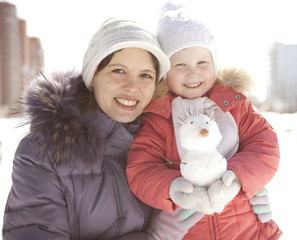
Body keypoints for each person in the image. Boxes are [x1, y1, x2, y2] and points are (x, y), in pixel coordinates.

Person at [2, 18, 205, 240]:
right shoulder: (44, 152)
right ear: (93, 77)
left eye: (146, 75)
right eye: (118, 71)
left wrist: (245, 189)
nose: (132, 87)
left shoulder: (165, 143)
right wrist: (155, 237)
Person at [126, 7, 282, 240]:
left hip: (245, 230)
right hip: (189, 231)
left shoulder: (234, 104)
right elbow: (141, 168)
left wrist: (238, 177)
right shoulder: (159, 117)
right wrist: (173, 188)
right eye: (180, 65)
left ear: (214, 63)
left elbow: (265, 145)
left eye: (202, 62)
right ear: (165, 72)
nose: (193, 73)